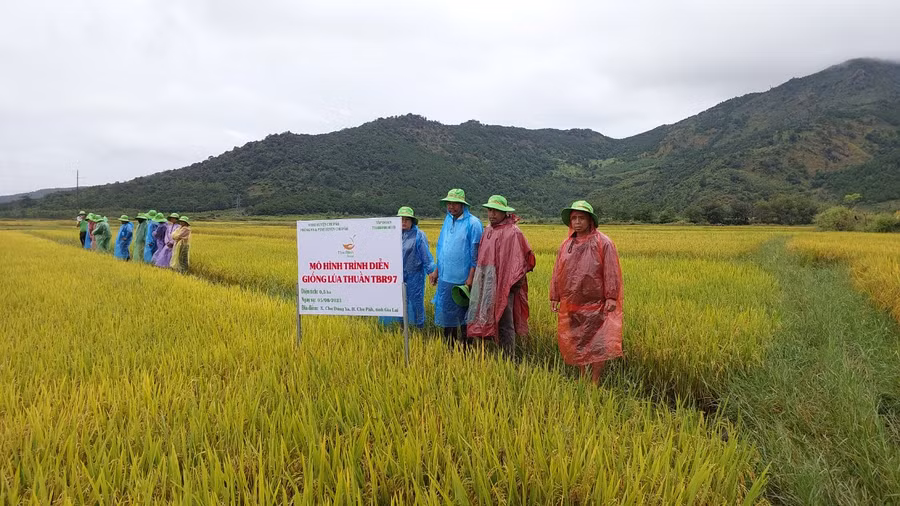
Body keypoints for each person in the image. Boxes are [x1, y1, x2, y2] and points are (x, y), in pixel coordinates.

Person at [549, 200, 623, 384]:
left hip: (596, 303)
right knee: (578, 341)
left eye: (581, 218)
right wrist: (554, 295)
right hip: (572, 302)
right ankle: (583, 377)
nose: (577, 222)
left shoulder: (603, 243)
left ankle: (595, 380)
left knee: (597, 343)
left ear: (590, 220)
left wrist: (611, 296)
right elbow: (558, 271)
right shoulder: (566, 245)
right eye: (574, 218)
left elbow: (611, 270)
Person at [466, 195, 535, 358]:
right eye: (490, 210)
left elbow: (525, 259)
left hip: (506, 285)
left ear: (505, 212)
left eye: (496, 211)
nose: (492, 214)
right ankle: (490, 354)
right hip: (488, 283)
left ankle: (508, 356)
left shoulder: (513, 232)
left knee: (505, 321)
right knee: (485, 316)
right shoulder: (488, 230)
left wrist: (513, 283)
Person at [429, 188, 483, 348]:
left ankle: (467, 349)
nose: (451, 206)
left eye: (454, 203)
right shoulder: (447, 220)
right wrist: (437, 271)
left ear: (462, 204)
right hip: (446, 278)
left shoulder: (473, 223)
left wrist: (471, 277)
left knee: (465, 316)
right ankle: (449, 348)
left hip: (463, 280)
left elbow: (476, 255)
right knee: (448, 316)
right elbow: (441, 248)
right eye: (449, 203)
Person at [378, 207, 435, 328]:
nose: (403, 222)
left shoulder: (419, 235)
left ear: (412, 221)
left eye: (407, 219)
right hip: (397, 275)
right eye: (401, 219)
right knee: (398, 301)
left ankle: (418, 327)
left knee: (415, 301)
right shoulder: (393, 234)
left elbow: (426, 256)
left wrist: (431, 272)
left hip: (414, 275)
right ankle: (400, 326)